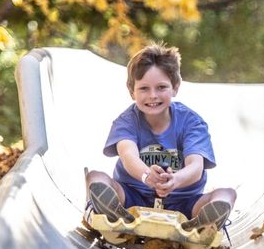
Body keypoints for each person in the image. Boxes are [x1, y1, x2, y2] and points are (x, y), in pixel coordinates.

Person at [84, 42, 236, 232]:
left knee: (226, 194)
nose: (153, 95)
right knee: (95, 177)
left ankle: (199, 224)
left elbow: (196, 166)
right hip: (133, 196)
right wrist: (147, 176)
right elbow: (128, 156)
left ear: (175, 87)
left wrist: (175, 180)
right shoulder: (126, 121)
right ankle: (116, 213)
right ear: (132, 90)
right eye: (144, 88)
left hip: (183, 202)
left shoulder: (191, 122)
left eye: (161, 87)